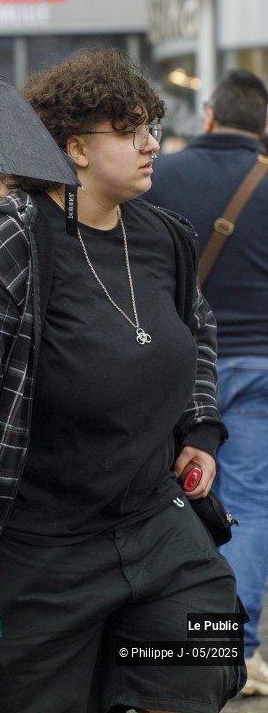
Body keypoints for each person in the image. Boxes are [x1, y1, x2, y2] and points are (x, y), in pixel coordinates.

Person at [0, 47, 245, 712]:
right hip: (36, 547)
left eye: (151, 125)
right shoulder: (10, 241)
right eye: (129, 130)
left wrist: (200, 431)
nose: (152, 143)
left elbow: (197, 335)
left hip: (152, 525)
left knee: (210, 646)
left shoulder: (164, 236)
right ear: (75, 148)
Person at [144, 68, 268, 696]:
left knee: (172, 496)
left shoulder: (158, 175)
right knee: (247, 504)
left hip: (178, 362)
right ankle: (229, 652)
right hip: (261, 365)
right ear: (263, 126)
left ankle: (171, 638)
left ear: (210, 119)